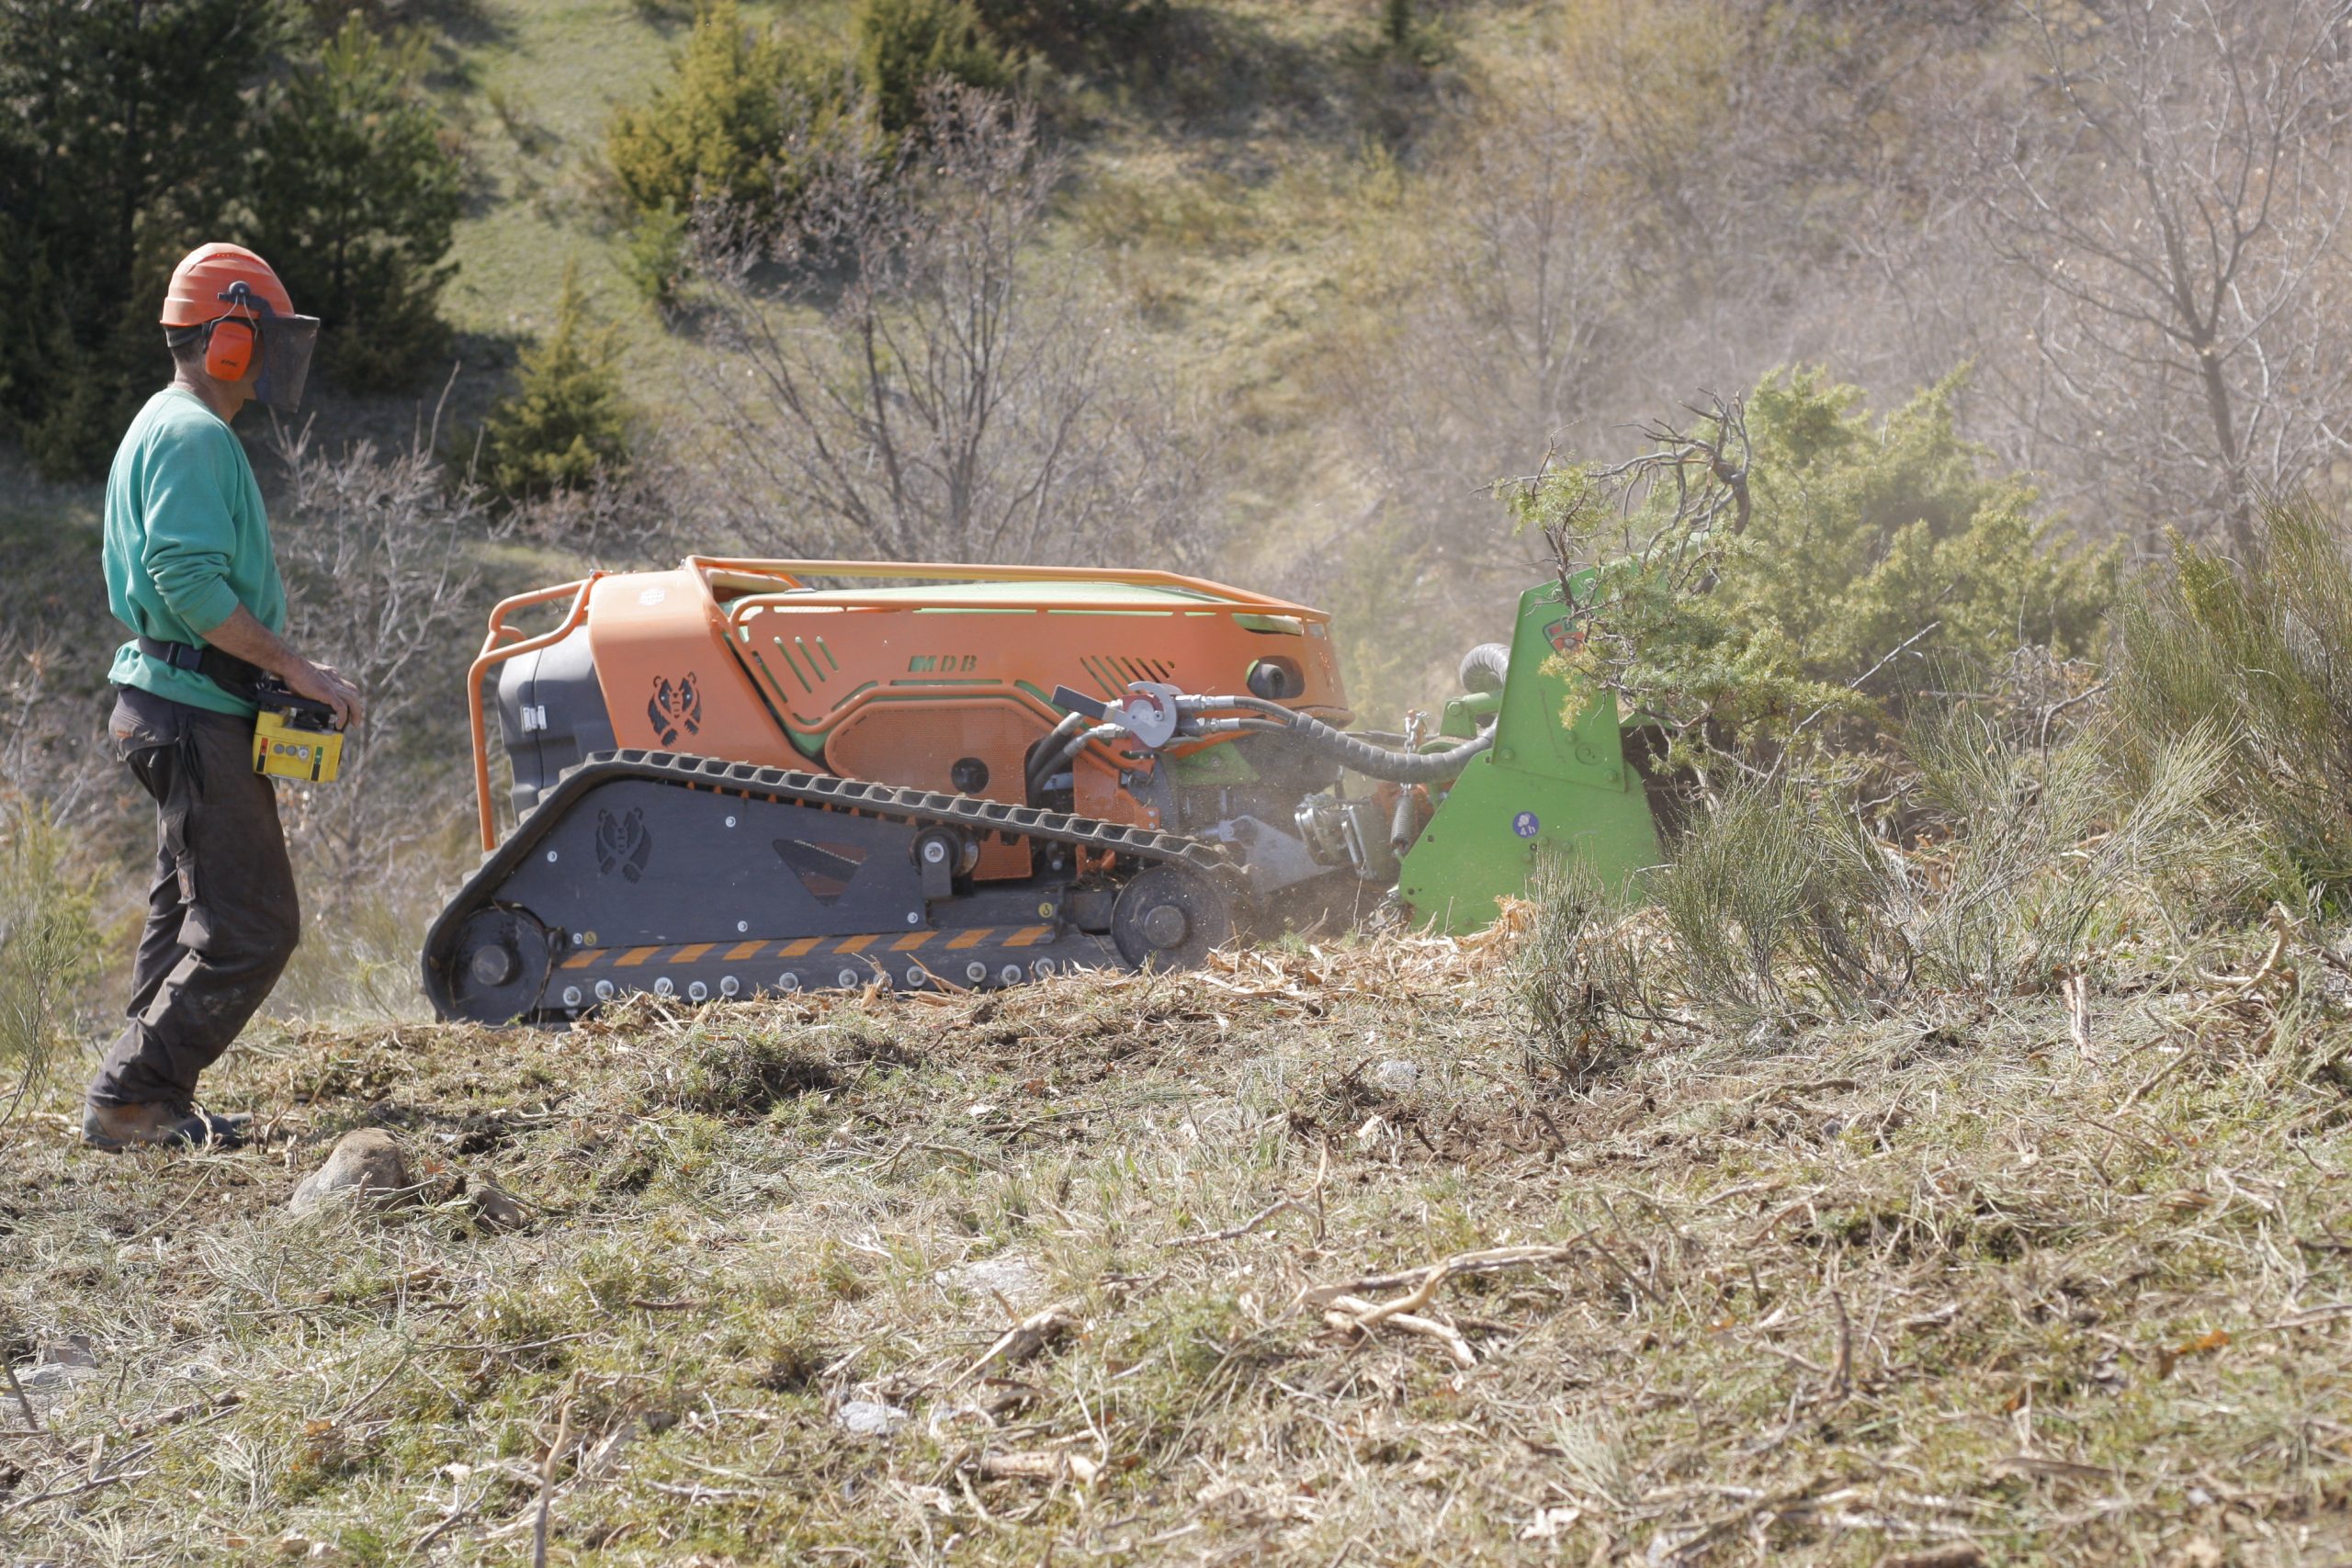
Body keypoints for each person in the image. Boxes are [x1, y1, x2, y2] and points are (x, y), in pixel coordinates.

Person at [83, 243, 364, 1151]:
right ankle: (130, 1096)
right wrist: (297, 669)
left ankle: (146, 1098)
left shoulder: (172, 427)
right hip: (192, 712)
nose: (280, 358)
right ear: (227, 340)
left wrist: (275, 671)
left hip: (181, 704)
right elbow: (190, 583)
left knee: (188, 912)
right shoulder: (191, 433)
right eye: (268, 339)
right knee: (255, 928)